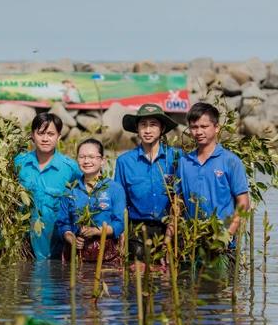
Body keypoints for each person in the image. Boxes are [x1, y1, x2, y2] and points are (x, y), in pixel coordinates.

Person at [115, 104, 181, 262]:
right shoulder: (124, 161)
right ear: (137, 129)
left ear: (162, 128)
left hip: (169, 227)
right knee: (135, 281)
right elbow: (119, 203)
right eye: (143, 125)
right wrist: (122, 236)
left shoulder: (177, 158)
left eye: (153, 125)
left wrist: (168, 238)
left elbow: (179, 201)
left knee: (167, 281)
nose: (147, 130)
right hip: (136, 230)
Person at [177, 102, 249, 244]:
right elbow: (178, 203)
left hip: (223, 242)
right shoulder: (184, 162)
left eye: (204, 127)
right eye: (194, 127)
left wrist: (226, 236)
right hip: (191, 243)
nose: (198, 132)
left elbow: (243, 203)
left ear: (216, 128)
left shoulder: (231, 161)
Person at [14, 113, 81, 260]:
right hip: (22, 248)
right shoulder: (19, 163)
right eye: (40, 133)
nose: (45, 139)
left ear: (59, 137)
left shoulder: (70, 168)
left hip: (55, 250)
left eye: (50, 134)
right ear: (32, 135)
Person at [58, 138, 126, 263]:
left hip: (106, 255)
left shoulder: (115, 188)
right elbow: (63, 223)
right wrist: (70, 237)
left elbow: (120, 224)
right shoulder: (70, 190)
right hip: (76, 254)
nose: (86, 161)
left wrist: (96, 231)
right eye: (82, 157)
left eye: (91, 157)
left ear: (102, 161)